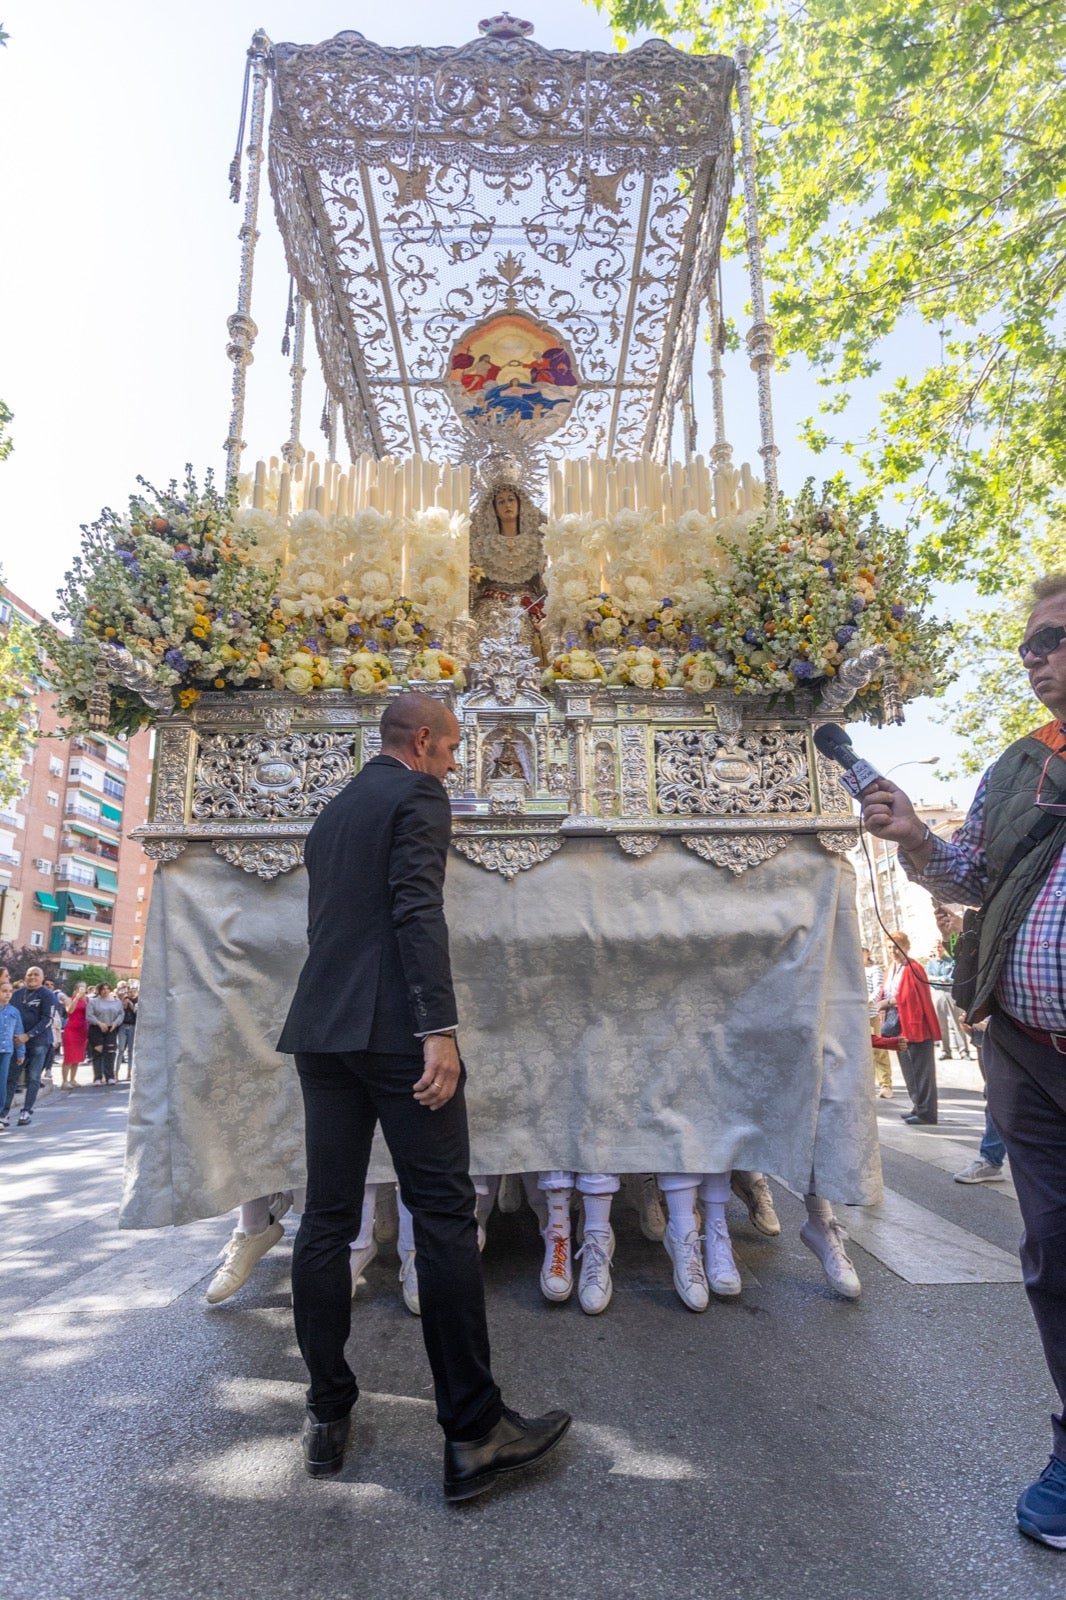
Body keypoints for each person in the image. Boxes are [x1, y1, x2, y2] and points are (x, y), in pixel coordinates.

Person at [277, 692, 570, 1497]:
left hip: (320, 1029)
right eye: (447, 748)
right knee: (441, 1215)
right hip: (396, 1030)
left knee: (325, 1219)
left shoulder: (335, 810)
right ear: (420, 739)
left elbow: (330, 924)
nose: (451, 762)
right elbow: (416, 910)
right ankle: (475, 1434)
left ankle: (327, 1413)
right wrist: (435, 1027)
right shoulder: (417, 793)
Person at [860, 572, 1066, 1549]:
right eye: (1027, 644)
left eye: (1051, 639)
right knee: (1053, 1258)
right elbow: (972, 877)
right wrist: (912, 839)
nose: (1031, 657)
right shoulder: (1015, 765)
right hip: (1025, 1054)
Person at [876, 932, 940, 1124]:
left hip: (915, 1026)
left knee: (921, 1071)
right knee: (909, 1070)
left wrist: (887, 1002)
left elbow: (912, 997)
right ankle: (918, 1106)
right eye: (889, 947)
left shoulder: (914, 968)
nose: (893, 951)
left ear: (906, 947)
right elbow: (886, 992)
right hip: (897, 1026)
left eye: (896, 946)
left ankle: (927, 1112)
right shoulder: (892, 968)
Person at [4, 967, 55, 1127]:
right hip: (18, 1043)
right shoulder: (17, 994)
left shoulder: (48, 995)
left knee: (33, 1078)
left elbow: (48, 1019)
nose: (32, 977)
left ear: (42, 977)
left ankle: (26, 1111)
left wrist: (28, 1035)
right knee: (11, 1077)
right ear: (25, 977)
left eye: (36, 974)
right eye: (29, 974)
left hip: (38, 1043)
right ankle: (3, 1113)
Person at [926, 940, 971, 1059]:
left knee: (956, 1022)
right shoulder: (930, 964)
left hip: (950, 993)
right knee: (941, 1023)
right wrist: (939, 979)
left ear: (943, 948)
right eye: (935, 947)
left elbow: (953, 977)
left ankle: (963, 1050)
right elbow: (928, 978)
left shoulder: (949, 961)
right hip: (937, 994)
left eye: (939, 946)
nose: (938, 949)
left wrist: (942, 978)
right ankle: (945, 1050)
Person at [864, 946, 894, 1097]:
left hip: (870, 1015)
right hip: (856, 1017)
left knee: (878, 1049)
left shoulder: (874, 970)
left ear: (867, 953)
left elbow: (878, 990)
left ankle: (885, 1084)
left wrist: (867, 1001)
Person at [86, 982, 124, 1085]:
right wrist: (99, 1023)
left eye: (107, 989)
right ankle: (97, 1077)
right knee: (98, 1052)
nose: (105, 991)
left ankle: (110, 1076)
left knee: (110, 1052)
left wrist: (115, 1024)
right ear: (99, 990)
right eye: (103, 989)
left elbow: (121, 1014)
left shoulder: (117, 1002)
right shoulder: (93, 1002)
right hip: (96, 1029)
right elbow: (89, 1015)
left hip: (111, 1028)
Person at [0, 978, 25, 1132]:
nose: (8, 994)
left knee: (2, 1084)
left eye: (10, 992)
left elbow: (19, 1033)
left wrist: (21, 1052)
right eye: (4, 991)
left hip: (7, 1051)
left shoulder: (14, 1012)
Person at [61, 982, 89, 1088]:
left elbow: (89, 1013)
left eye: (84, 988)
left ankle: (72, 1079)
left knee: (78, 1056)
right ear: (76, 989)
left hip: (82, 1030)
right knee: (69, 1056)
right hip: (71, 1029)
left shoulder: (87, 1000)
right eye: (80, 987)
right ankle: (64, 1081)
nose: (82, 990)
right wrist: (76, 999)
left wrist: (85, 1001)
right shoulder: (69, 999)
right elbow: (70, 1011)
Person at [116, 983, 138, 1079]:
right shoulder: (122, 1001)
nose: (132, 994)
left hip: (132, 1026)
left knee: (130, 1051)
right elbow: (119, 1012)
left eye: (134, 992)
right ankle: (116, 1072)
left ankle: (129, 1072)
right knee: (120, 1049)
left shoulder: (138, 1001)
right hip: (123, 1026)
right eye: (130, 992)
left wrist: (132, 1005)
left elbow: (138, 1014)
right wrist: (124, 1004)